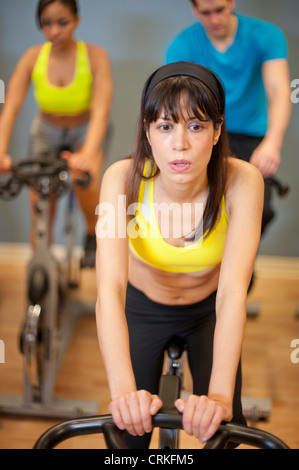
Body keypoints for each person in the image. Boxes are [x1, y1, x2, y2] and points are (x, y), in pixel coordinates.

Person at [95, 61, 264, 449]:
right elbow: (108, 290)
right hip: (142, 307)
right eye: (166, 126)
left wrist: (220, 398)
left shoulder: (243, 181)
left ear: (218, 129)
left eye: (197, 125)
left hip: (208, 310)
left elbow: (233, 293)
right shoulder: (120, 178)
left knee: (225, 430)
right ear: (148, 131)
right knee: (127, 435)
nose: (180, 144)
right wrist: (123, 394)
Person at [0, 0, 113, 265]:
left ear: (76, 21)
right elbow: (11, 108)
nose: (54, 31)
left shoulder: (96, 56)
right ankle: (40, 261)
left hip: (86, 129)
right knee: (39, 198)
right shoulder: (32, 57)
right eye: (46, 23)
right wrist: (1, 151)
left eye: (62, 23)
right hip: (46, 131)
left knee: (85, 181)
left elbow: (101, 113)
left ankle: (90, 236)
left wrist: (86, 154)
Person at [165, 0, 291, 236]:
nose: (214, 19)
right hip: (203, 133)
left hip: (250, 134)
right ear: (194, 10)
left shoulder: (266, 36)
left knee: (257, 210)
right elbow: (176, 103)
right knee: (203, 208)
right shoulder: (182, 45)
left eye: (220, 10)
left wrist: (273, 143)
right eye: (206, 13)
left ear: (232, 2)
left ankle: (241, 266)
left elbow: (279, 90)